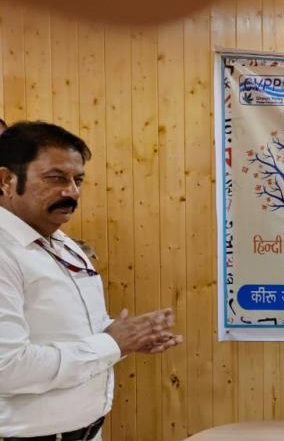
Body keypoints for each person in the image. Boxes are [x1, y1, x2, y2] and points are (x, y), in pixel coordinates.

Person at [0, 121, 181, 440]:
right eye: (55, 178)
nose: (71, 191)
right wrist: (113, 342)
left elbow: (75, 334)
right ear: (6, 181)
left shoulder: (62, 242)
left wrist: (130, 339)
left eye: (78, 179)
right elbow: (8, 368)